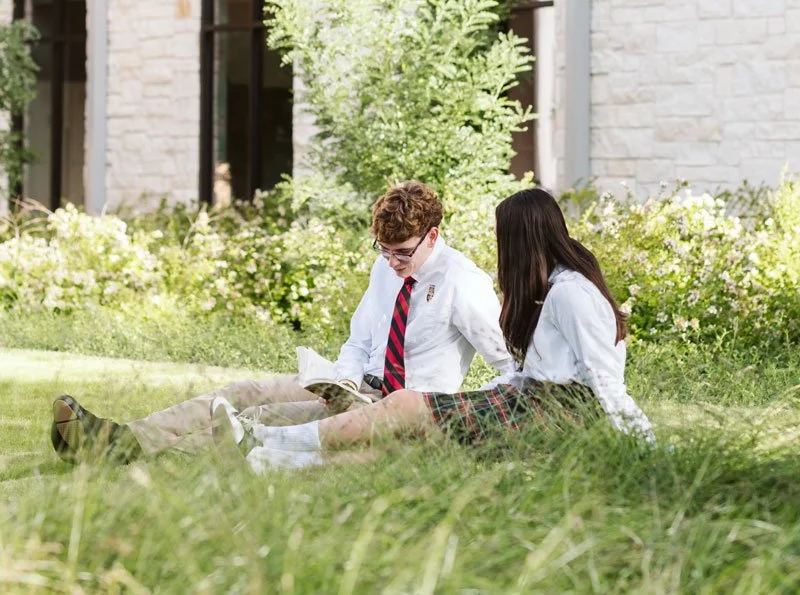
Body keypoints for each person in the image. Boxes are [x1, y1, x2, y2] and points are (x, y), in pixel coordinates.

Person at [50, 180, 515, 463]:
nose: (392, 262)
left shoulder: (462, 282)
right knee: (241, 392)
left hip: (394, 407)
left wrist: (468, 420)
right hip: (352, 385)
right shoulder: (385, 269)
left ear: (432, 235)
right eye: (384, 250)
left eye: (403, 252)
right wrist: (346, 380)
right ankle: (122, 437)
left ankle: (123, 453)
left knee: (256, 419)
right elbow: (360, 338)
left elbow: (507, 364)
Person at [211, 188, 655, 472]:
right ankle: (270, 461)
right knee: (414, 449)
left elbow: (603, 379)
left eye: (503, 238)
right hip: (528, 393)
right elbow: (526, 368)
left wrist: (644, 446)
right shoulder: (549, 288)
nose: (499, 249)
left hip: (556, 407)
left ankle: (265, 440)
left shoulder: (569, 293)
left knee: (406, 411)